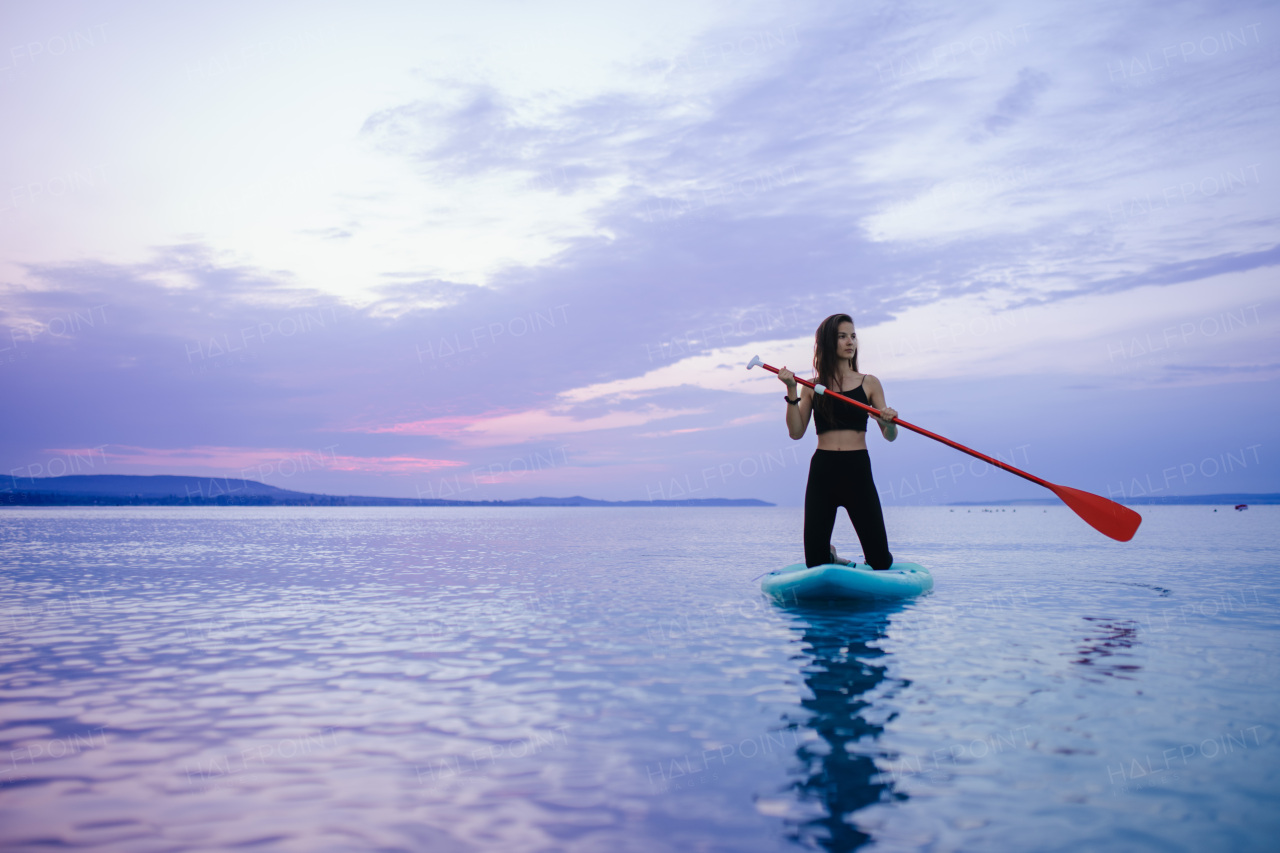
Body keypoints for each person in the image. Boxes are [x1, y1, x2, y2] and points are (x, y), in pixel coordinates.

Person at [777, 314, 899, 570]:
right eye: (842, 336)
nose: (849, 341)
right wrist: (791, 389)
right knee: (815, 562)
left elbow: (890, 436)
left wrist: (889, 421)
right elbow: (796, 432)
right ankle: (829, 555)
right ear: (827, 343)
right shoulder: (812, 387)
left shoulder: (869, 383)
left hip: (857, 470)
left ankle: (861, 559)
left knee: (880, 562)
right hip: (824, 470)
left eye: (853, 336)